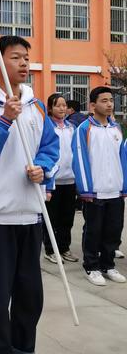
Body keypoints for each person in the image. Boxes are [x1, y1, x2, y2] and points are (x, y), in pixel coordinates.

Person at [0, 35, 59, 354]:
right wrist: (6, 119)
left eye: (26, 58)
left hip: (31, 213)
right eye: (16, 57)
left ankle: (24, 349)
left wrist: (44, 169)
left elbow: (50, 147)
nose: (24, 63)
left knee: (30, 295)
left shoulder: (36, 106)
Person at [72, 86, 127, 286]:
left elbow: (123, 159)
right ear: (93, 105)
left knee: (113, 230)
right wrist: (85, 189)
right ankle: (92, 266)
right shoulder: (84, 129)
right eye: (104, 101)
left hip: (115, 191)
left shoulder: (116, 128)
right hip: (94, 192)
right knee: (93, 231)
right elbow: (79, 158)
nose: (110, 104)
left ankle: (108, 265)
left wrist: (124, 186)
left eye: (111, 100)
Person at [43, 94, 79, 264]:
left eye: (64, 105)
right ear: (50, 108)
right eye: (58, 105)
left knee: (67, 217)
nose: (62, 108)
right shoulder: (46, 127)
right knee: (52, 217)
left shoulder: (72, 128)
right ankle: (50, 250)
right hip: (53, 182)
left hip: (69, 180)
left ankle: (64, 248)